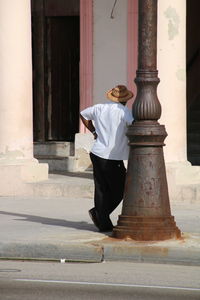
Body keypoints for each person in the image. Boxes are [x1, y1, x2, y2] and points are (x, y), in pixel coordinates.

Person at [80, 85, 134, 232]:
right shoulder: (125, 112)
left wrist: (93, 131)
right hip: (112, 156)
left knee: (101, 188)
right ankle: (99, 214)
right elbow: (135, 125)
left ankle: (103, 221)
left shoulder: (99, 107)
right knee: (122, 189)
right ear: (126, 100)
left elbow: (83, 115)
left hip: (97, 153)